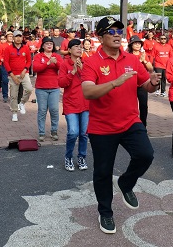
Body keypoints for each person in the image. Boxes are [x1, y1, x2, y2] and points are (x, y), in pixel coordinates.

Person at [81, 16, 161, 235]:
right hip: (102, 127)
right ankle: (105, 212)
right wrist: (115, 82)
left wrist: (153, 82)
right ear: (100, 37)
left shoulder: (132, 60)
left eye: (119, 31)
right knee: (103, 172)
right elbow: (88, 91)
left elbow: (145, 85)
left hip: (130, 121)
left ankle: (126, 183)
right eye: (111, 32)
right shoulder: (91, 62)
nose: (117, 35)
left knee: (146, 155)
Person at [58, 39, 90, 171]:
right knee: (73, 132)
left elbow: (91, 81)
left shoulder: (86, 63)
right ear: (69, 50)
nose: (79, 49)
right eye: (76, 47)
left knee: (84, 133)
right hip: (71, 103)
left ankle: (82, 156)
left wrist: (82, 70)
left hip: (86, 103)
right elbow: (61, 83)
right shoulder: (65, 64)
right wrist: (72, 72)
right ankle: (68, 157)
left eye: (80, 47)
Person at [32, 37, 62, 141]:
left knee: (54, 110)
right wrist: (48, 63)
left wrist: (56, 62)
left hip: (54, 87)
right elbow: (35, 68)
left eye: (51, 44)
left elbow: (62, 68)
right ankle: (41, 132)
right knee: (42, 110)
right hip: (41, 88)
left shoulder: (57, 56)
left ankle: (54, 131)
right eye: (47, 44)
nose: (49, 45)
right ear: (43, 46)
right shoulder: (38, 56)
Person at [3, 30, 33, 122]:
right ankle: (14, 113)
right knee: (13, 95)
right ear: (13, 38)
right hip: (13, 74)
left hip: (24, 73)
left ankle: (22, 103)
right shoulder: (8, 49)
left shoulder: (25, 48)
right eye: (16, 36)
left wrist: (25, 70)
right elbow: (6, 62)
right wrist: (12, 75)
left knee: (29, 89)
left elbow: (29, 61)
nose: (18, 38)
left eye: (20, 36)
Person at [127, 36, 154, 127]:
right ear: (131, 45)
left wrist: (145, 61)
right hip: (130, 84)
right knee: (130, 106)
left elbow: (150, 69)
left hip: (142, 84)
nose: (138, 45)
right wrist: (139, 61)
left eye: (139, 43)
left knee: (143, 106)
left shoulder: (143, 54)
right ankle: (131, 125)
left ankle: (143, 125)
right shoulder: (127, 55)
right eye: (135, 43)